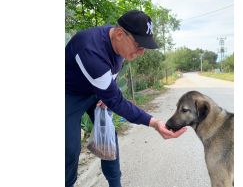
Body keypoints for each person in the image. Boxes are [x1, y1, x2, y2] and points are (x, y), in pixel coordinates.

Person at [65, 10, 187, 187]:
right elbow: (117, 101)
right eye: (139, 45)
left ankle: (115, 184)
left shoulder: (119, 42)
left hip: (94, 91)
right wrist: (153, 122)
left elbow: (112, 73)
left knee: (109, 138)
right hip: (69, 94)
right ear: (121, 34)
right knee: (69, 149)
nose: (142, 52)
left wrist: (104, 93)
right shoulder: (90, 49)